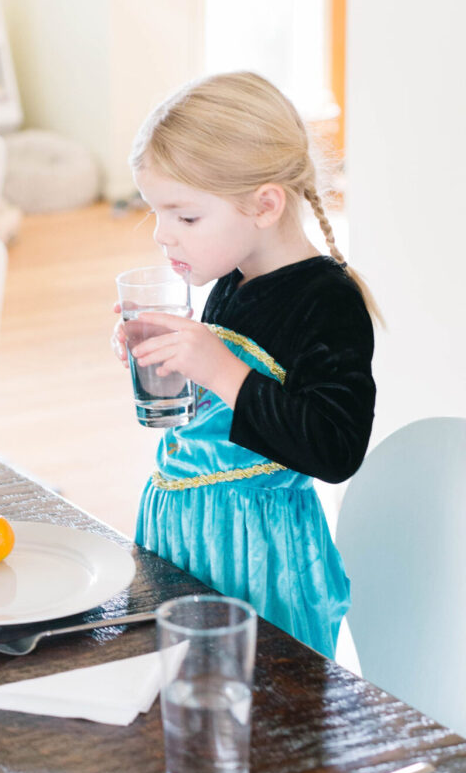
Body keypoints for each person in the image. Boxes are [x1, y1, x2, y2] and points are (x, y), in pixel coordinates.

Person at [115, 72, 378, 657]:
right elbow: (214, 413)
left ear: (264, 205)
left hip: (260, 555)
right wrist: (171, 360)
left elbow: (336, 449)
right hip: (181, 530)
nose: (162, 235)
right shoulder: (231, 279)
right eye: (156, 213)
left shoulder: (326, 301)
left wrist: (220, 369)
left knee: (262, 705)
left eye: (185, 218)